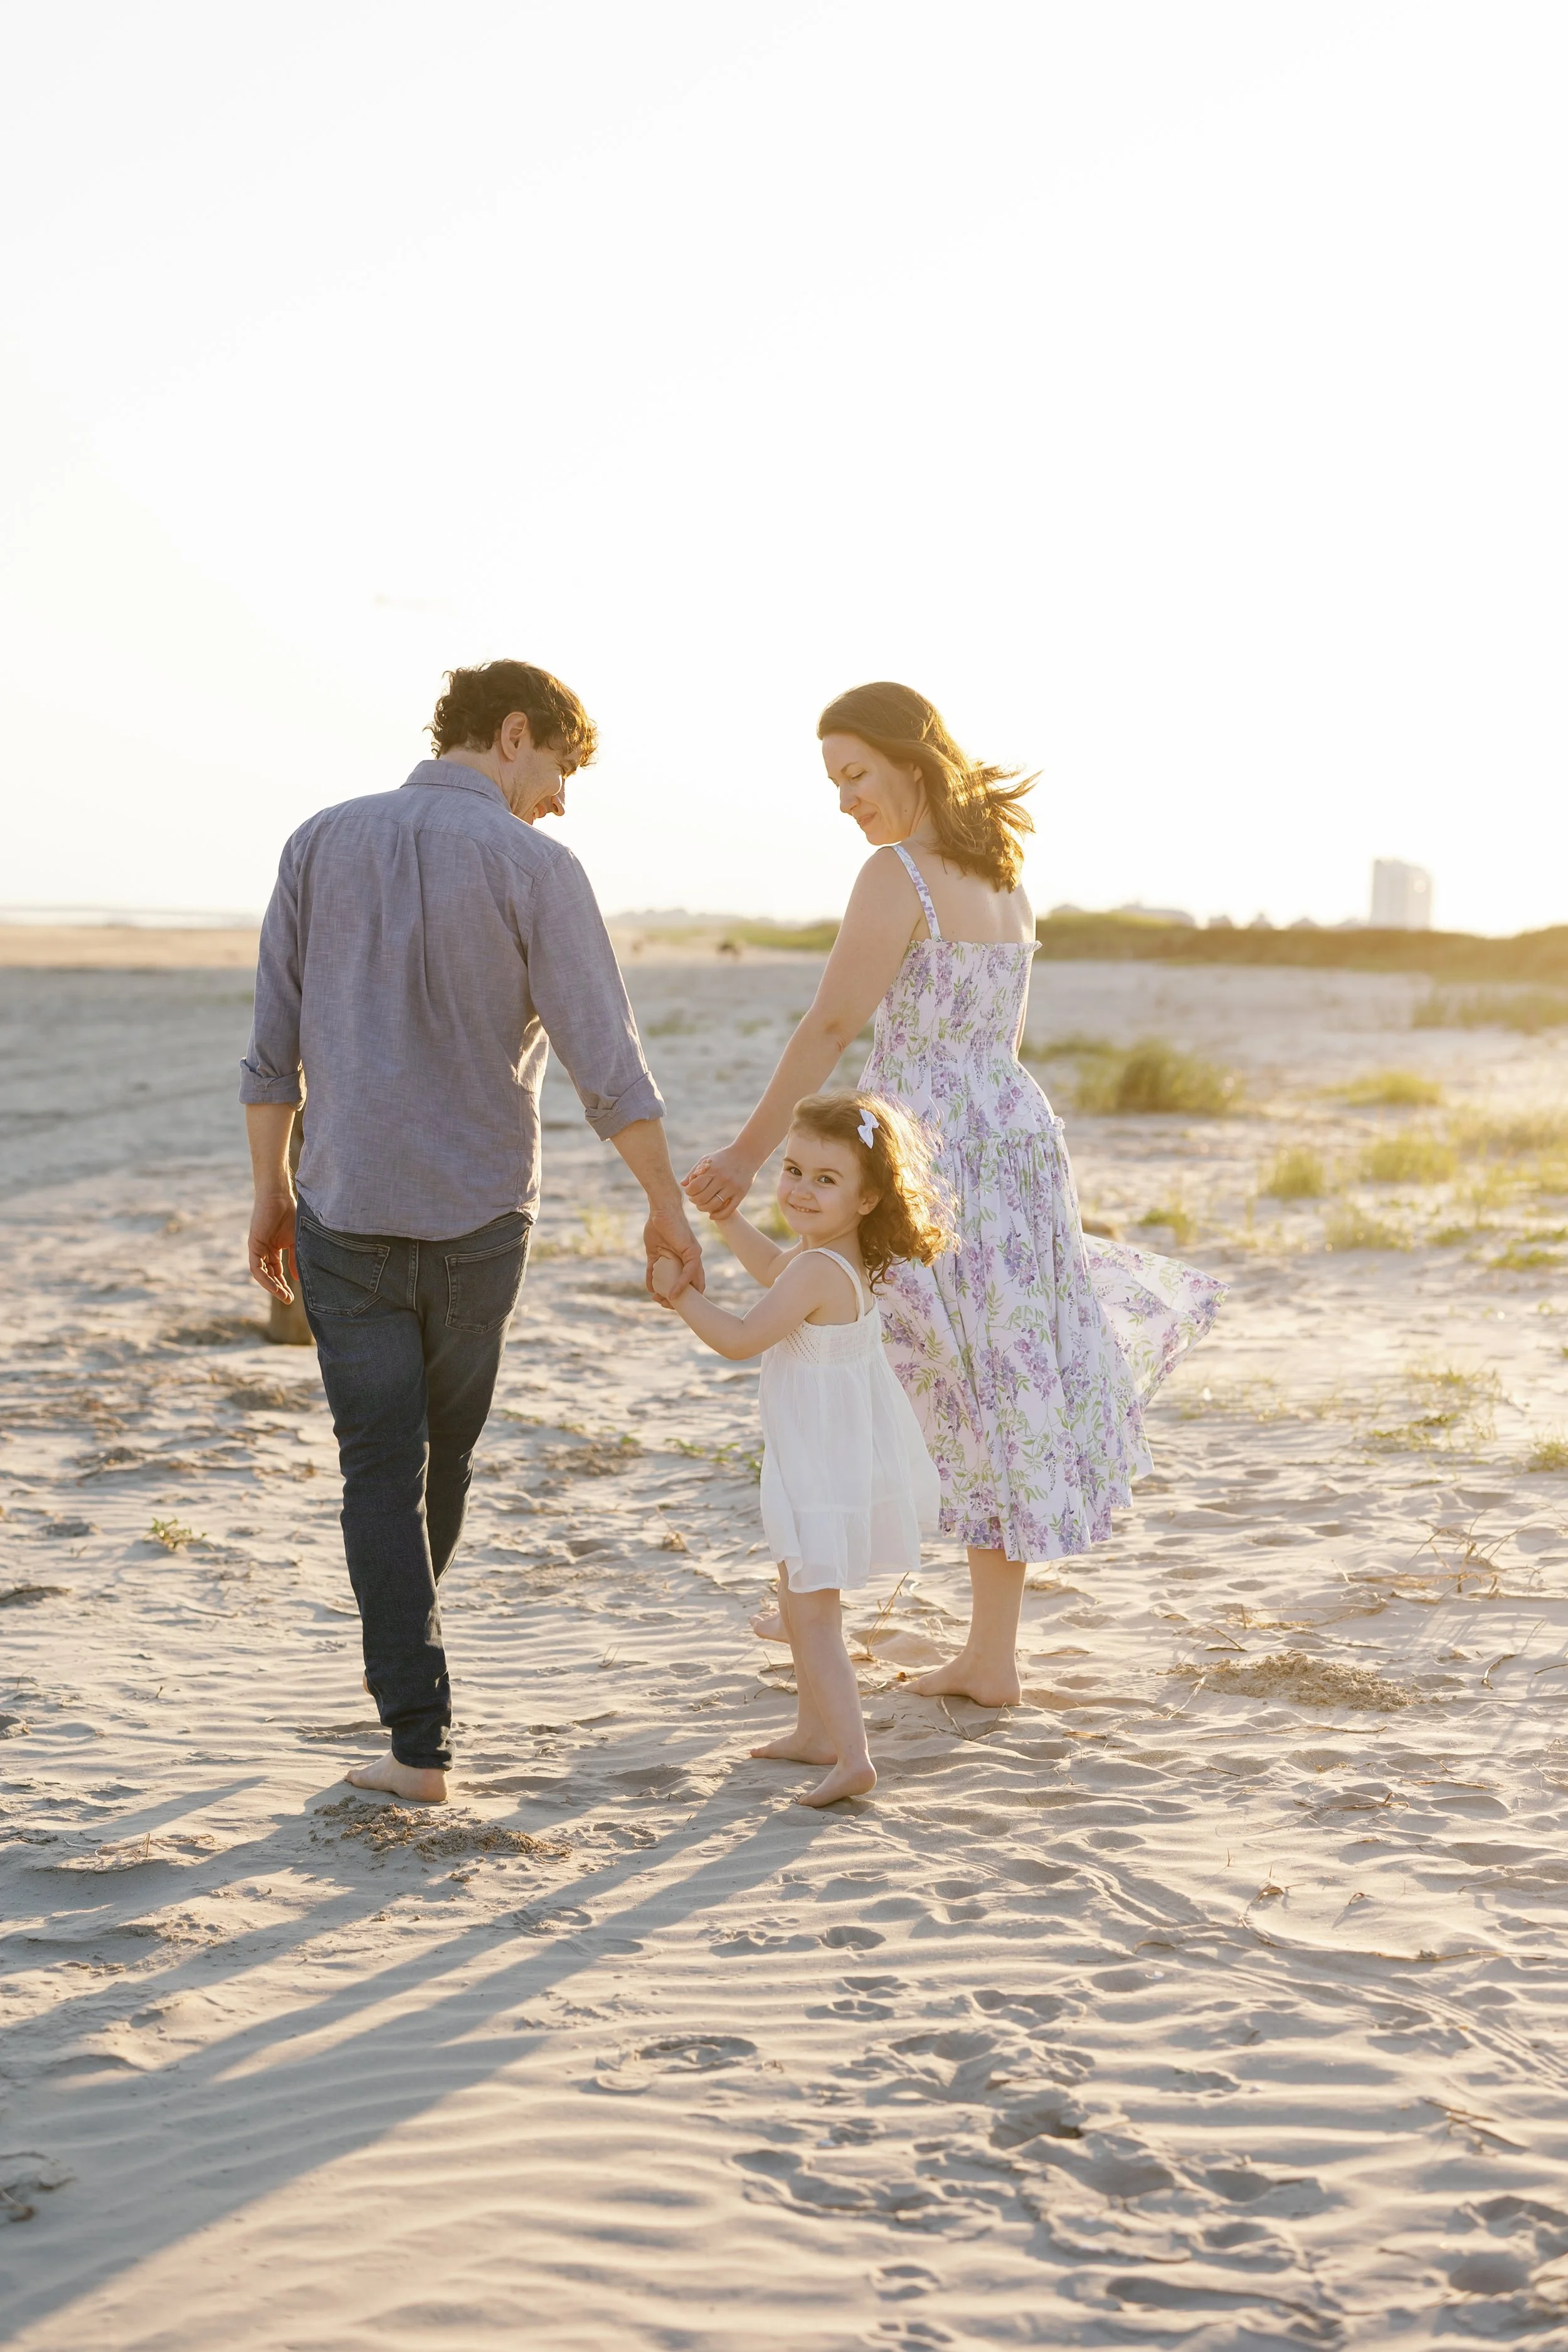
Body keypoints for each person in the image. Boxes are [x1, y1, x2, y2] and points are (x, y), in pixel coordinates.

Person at [684, 681, 1223, 1708]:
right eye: (834, 782)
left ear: (910, 761)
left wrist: (754, 1155)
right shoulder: (1003, 871)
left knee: (862, 1346)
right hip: (1013, 1137)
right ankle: (988, 1654)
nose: (845, 799)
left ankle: (815, 1580)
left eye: (856, 774)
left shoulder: (894, 874)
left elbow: (831, 1025)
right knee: (990, 1376)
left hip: (923, 1148)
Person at [241, 659, 702, 1805]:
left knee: (376, 1467)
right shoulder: (538, 866)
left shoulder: (316, 841)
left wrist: (268, 1190)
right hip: (483, 1219)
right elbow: (611, 1063)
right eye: (558, 769)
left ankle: (412, 1717)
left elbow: (271, 1052)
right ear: (513, 735)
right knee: (436, 1457)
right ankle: (416, 1716)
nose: (557, 799)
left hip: (343, 1206)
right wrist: (664, 1200)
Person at [652, 1090, 950, 1806]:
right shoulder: (824, 1259)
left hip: (821, 1460)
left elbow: (737, 1338)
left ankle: (853, 1756)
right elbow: (770, 1270)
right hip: (830, 1453)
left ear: (869, 1198)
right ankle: (815, 1734)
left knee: (811, 1613)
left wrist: (679, 1297)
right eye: (792, 1170)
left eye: (826, 1179)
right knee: (800, 1595)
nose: (800, 1190)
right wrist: (725, 1216)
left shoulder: (818, 1272)